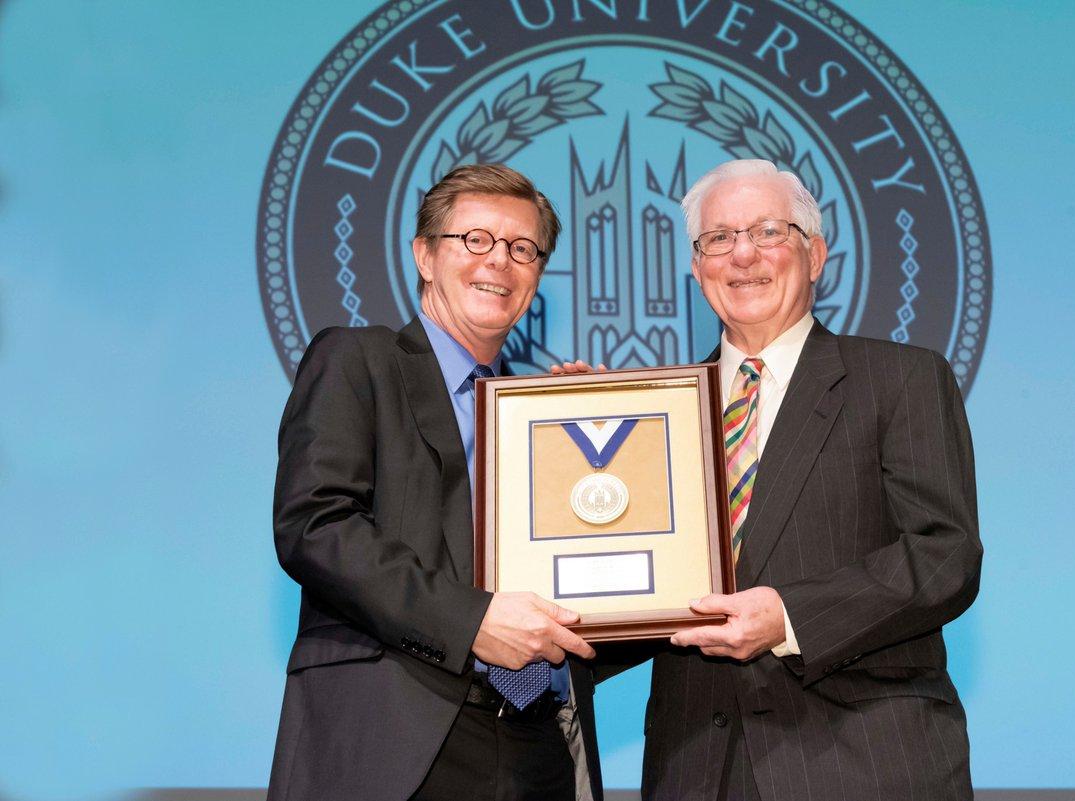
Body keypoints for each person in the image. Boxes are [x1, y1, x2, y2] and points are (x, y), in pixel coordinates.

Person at [641, 159, 983, 801]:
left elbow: (944, 557)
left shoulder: (901, 378)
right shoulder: (655, 410)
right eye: (718, 238)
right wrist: (578, 433)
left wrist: (789, 617)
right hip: (695, 767)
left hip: (863, 762)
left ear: (815, 253)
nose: (742, 255)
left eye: (769, 231)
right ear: (696, 267)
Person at [267, 164, 603, 801]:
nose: (499, 261)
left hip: (538, 744)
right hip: (398, 740)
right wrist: (470, 621)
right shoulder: (357, 358)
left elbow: (582, 588)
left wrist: (595, 444)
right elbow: (315, 526)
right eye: (475, 239)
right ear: (425, 255)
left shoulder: (538, 416)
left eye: (522, 248)